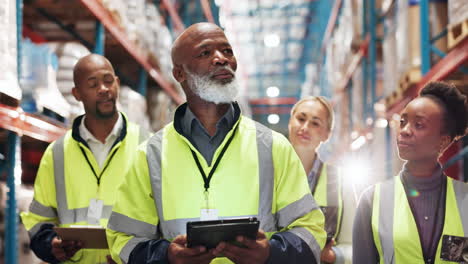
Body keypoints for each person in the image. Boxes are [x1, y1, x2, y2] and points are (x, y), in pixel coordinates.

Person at [106, 22, 327, 264]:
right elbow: (123, 238)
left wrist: (271, 252)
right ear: (179, 73)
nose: (221, 59)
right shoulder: (150, 155)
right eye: (205, 52)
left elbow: (311, 230)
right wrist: (167, 256)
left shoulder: (274, 147)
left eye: (227, 51)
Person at [21, 54, 150, 263]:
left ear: (117, 84)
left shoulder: (146, 145)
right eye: (92, 84)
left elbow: (161, 221)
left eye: (108, 81)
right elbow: (38, 222)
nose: (103, 89)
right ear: (77, 93)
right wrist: (52, 246)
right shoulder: (57, 153)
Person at [353, 81, 468, 263]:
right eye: (403, 122)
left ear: (443, 141)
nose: (404, 131)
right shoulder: (372, 200)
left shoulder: (465, 200)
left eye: (419, 125)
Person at [288, 96, 353, 264]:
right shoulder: (265, 175)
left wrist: (331, 256)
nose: (305, 127)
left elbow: (354, 246)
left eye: (315, 123)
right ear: (290, 122)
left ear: (326, 135)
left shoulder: (341, 182)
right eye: (300, 119)